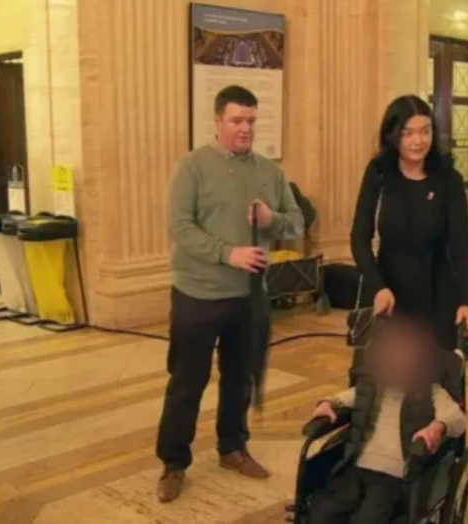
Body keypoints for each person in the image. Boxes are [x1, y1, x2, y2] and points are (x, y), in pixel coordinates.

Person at [155, 85, 304, 502]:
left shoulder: (269, 171)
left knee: (240, 378)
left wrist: (272, 217)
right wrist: (228, 254)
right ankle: (173, 462)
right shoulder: (191, 167)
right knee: (188, 381)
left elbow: (296, 222)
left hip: (249, 298)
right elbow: (179, 228)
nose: (245, 129)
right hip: (197, 295)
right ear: (217, 121)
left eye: (252, 121)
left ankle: (232, 448)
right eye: (237, 120)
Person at [307, 316, 466, 524]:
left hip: (395, 477)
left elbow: (456, 417)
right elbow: (343, 398)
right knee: (323, 512)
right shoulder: (369, 388)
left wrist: (437, 427)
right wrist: (327, 403)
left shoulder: (430, 393)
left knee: (367, 519)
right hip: (357, 469)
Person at [350, 95, 468, 351]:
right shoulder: (379, 172)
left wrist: (467, 300)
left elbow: (462, 246)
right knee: (389, 378)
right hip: (391, 291)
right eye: (408, 133)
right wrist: (378, 287)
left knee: (436, 380)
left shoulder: (448, 179)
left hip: (439, 290)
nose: (418, 141)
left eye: (425, 131)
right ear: (393, 135)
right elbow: (359, 238)